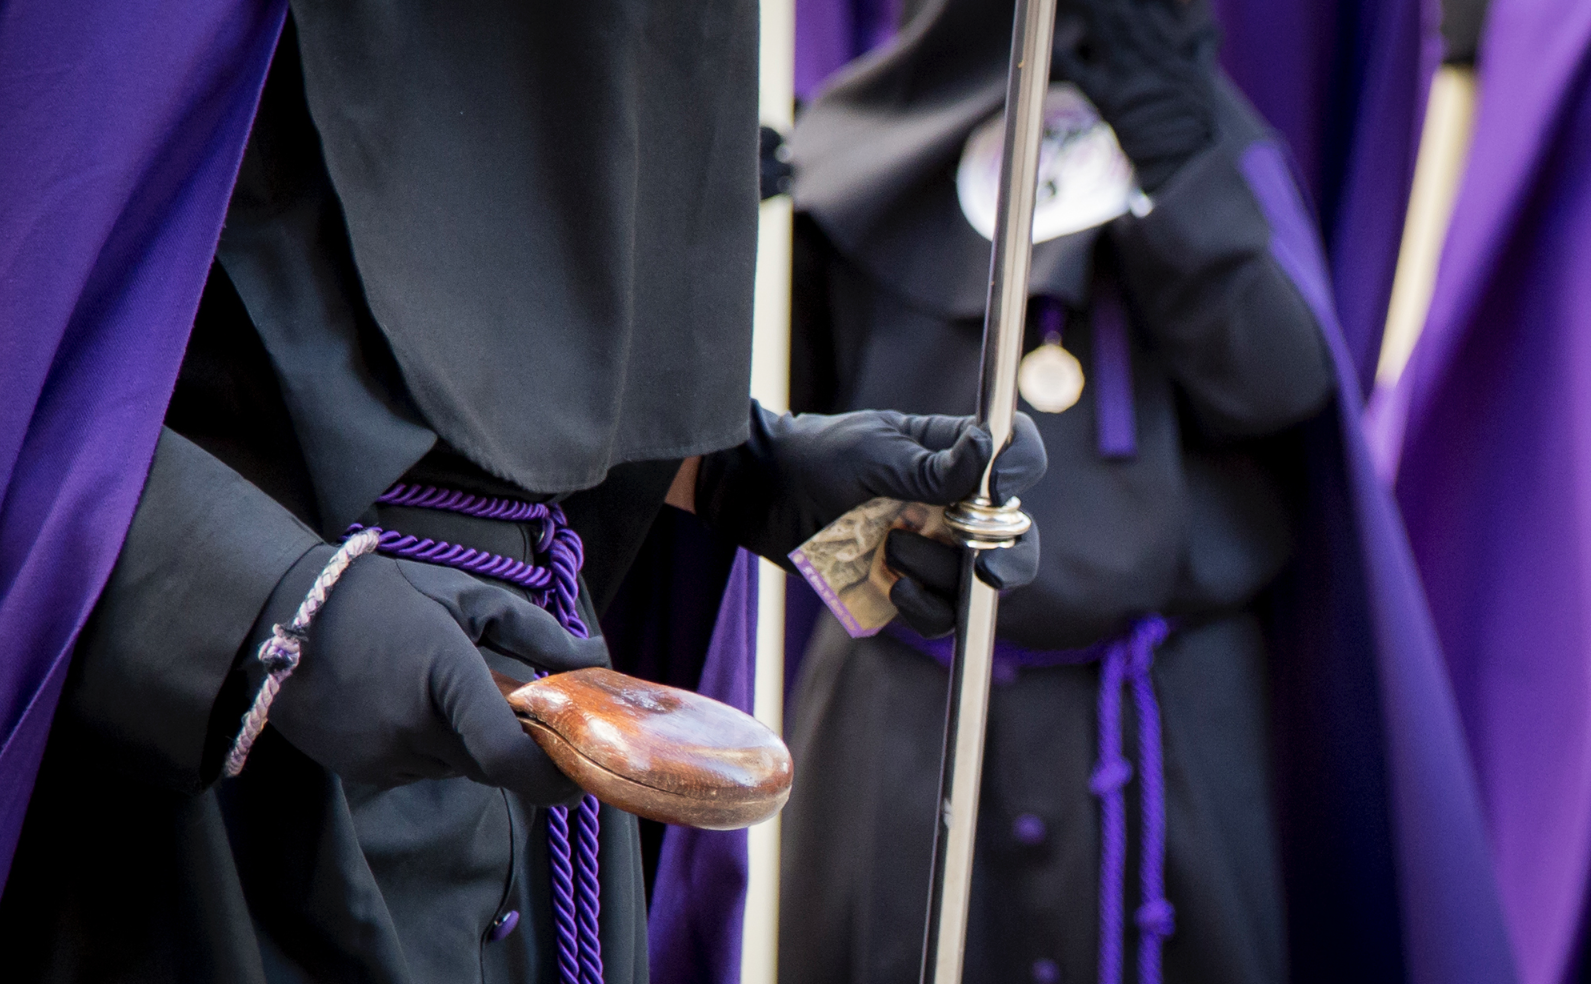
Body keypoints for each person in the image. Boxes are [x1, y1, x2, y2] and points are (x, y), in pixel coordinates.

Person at [0, 4, 1048, 983]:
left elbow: (479, 265)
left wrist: (718, 464)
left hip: (541, 778)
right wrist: (243, 608)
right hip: (203, 790)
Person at [774, 1, 1508, 982]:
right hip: (908, 709)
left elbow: (1277, 384)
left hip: (1163, 715)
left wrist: (1175, 166)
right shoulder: (857, 145)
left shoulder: (1193, 125)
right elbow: (788, 434)